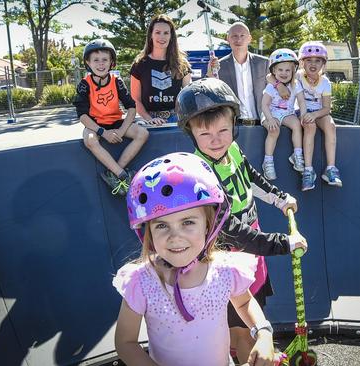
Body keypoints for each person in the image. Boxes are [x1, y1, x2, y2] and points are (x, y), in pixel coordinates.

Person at [176, 78, 307, 364]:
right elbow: (232, 232)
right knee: (243, 332)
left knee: (256, 307)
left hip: (251, 252)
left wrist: (279, 198)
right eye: (205, 134)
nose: (217, 140)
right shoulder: (201, 175)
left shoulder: (232, 150)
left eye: (223, 130)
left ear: (234, 125)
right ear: (192, 135)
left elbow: (250, 177)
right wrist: (283, 243)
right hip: (229, 260)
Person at [114, 152, 278, 366]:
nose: (175, 237)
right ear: (148, 232)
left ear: (209, 225)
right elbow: (125, 342)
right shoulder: (142, 281)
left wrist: (264, 334)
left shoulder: (225, 269)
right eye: (162, 225)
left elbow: (245, 302)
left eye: (188, 222)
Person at [73, 39, 149, 196]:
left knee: (143, 133)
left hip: (115, 122)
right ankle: (122, 175)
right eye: (96, 60)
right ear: (88, 62)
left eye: (105, 60)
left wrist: (121, 131)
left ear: (111, 62)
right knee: (90, 139)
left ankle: (114, 172)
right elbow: (82, 116)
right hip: (96, 125)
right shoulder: (84, 84)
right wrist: (103, 132)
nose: (101, 64)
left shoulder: (117, 81)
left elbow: (131, 107)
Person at [295, 41, 342, 190]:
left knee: (330, 125)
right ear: (302, 62)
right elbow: (272, 76)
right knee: (309, 126)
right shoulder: (297, 77)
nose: (313, 64)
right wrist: (307, 115)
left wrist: (314, 114)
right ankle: (308, 171)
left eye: (317, 60)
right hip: (301, 112)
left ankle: (331, 168)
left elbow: (327, 108)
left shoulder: (325, 82)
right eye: (309, 60)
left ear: (323, 64)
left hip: (318, 112)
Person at [130, 14, 192, 125]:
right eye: (158, 32)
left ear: (171, 36)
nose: (162, 37)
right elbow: (136, 100)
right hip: (148, 120)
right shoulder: (139, 64)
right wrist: (149, 119)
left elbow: (189, 95)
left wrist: (209, 74)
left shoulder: (181, 64)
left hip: (177, 120)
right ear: (151, 35)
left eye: (166, 33)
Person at [208, 22, 268, 126]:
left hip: (263, 124)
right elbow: (211, 95)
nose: (238, 40)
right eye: (234, 36)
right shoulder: (218, 67)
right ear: (228, 39)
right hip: (234, 126)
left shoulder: (264, 63)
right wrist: (210, 75)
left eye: (242, 36)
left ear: (249, 39)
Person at [260, 48, 304, 181]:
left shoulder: (296, 85)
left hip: (287, 114)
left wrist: (304, 115)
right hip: (270, 114)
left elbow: (301, 102)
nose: (284, 73)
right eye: (280, 70)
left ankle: (297, 154)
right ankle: (268, 161)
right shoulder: (271, 87)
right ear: (274, 71)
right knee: (274, 130)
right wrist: (270, 119)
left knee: (297, 125)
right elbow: (264, 105)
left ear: (293, 71)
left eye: (287, 70)